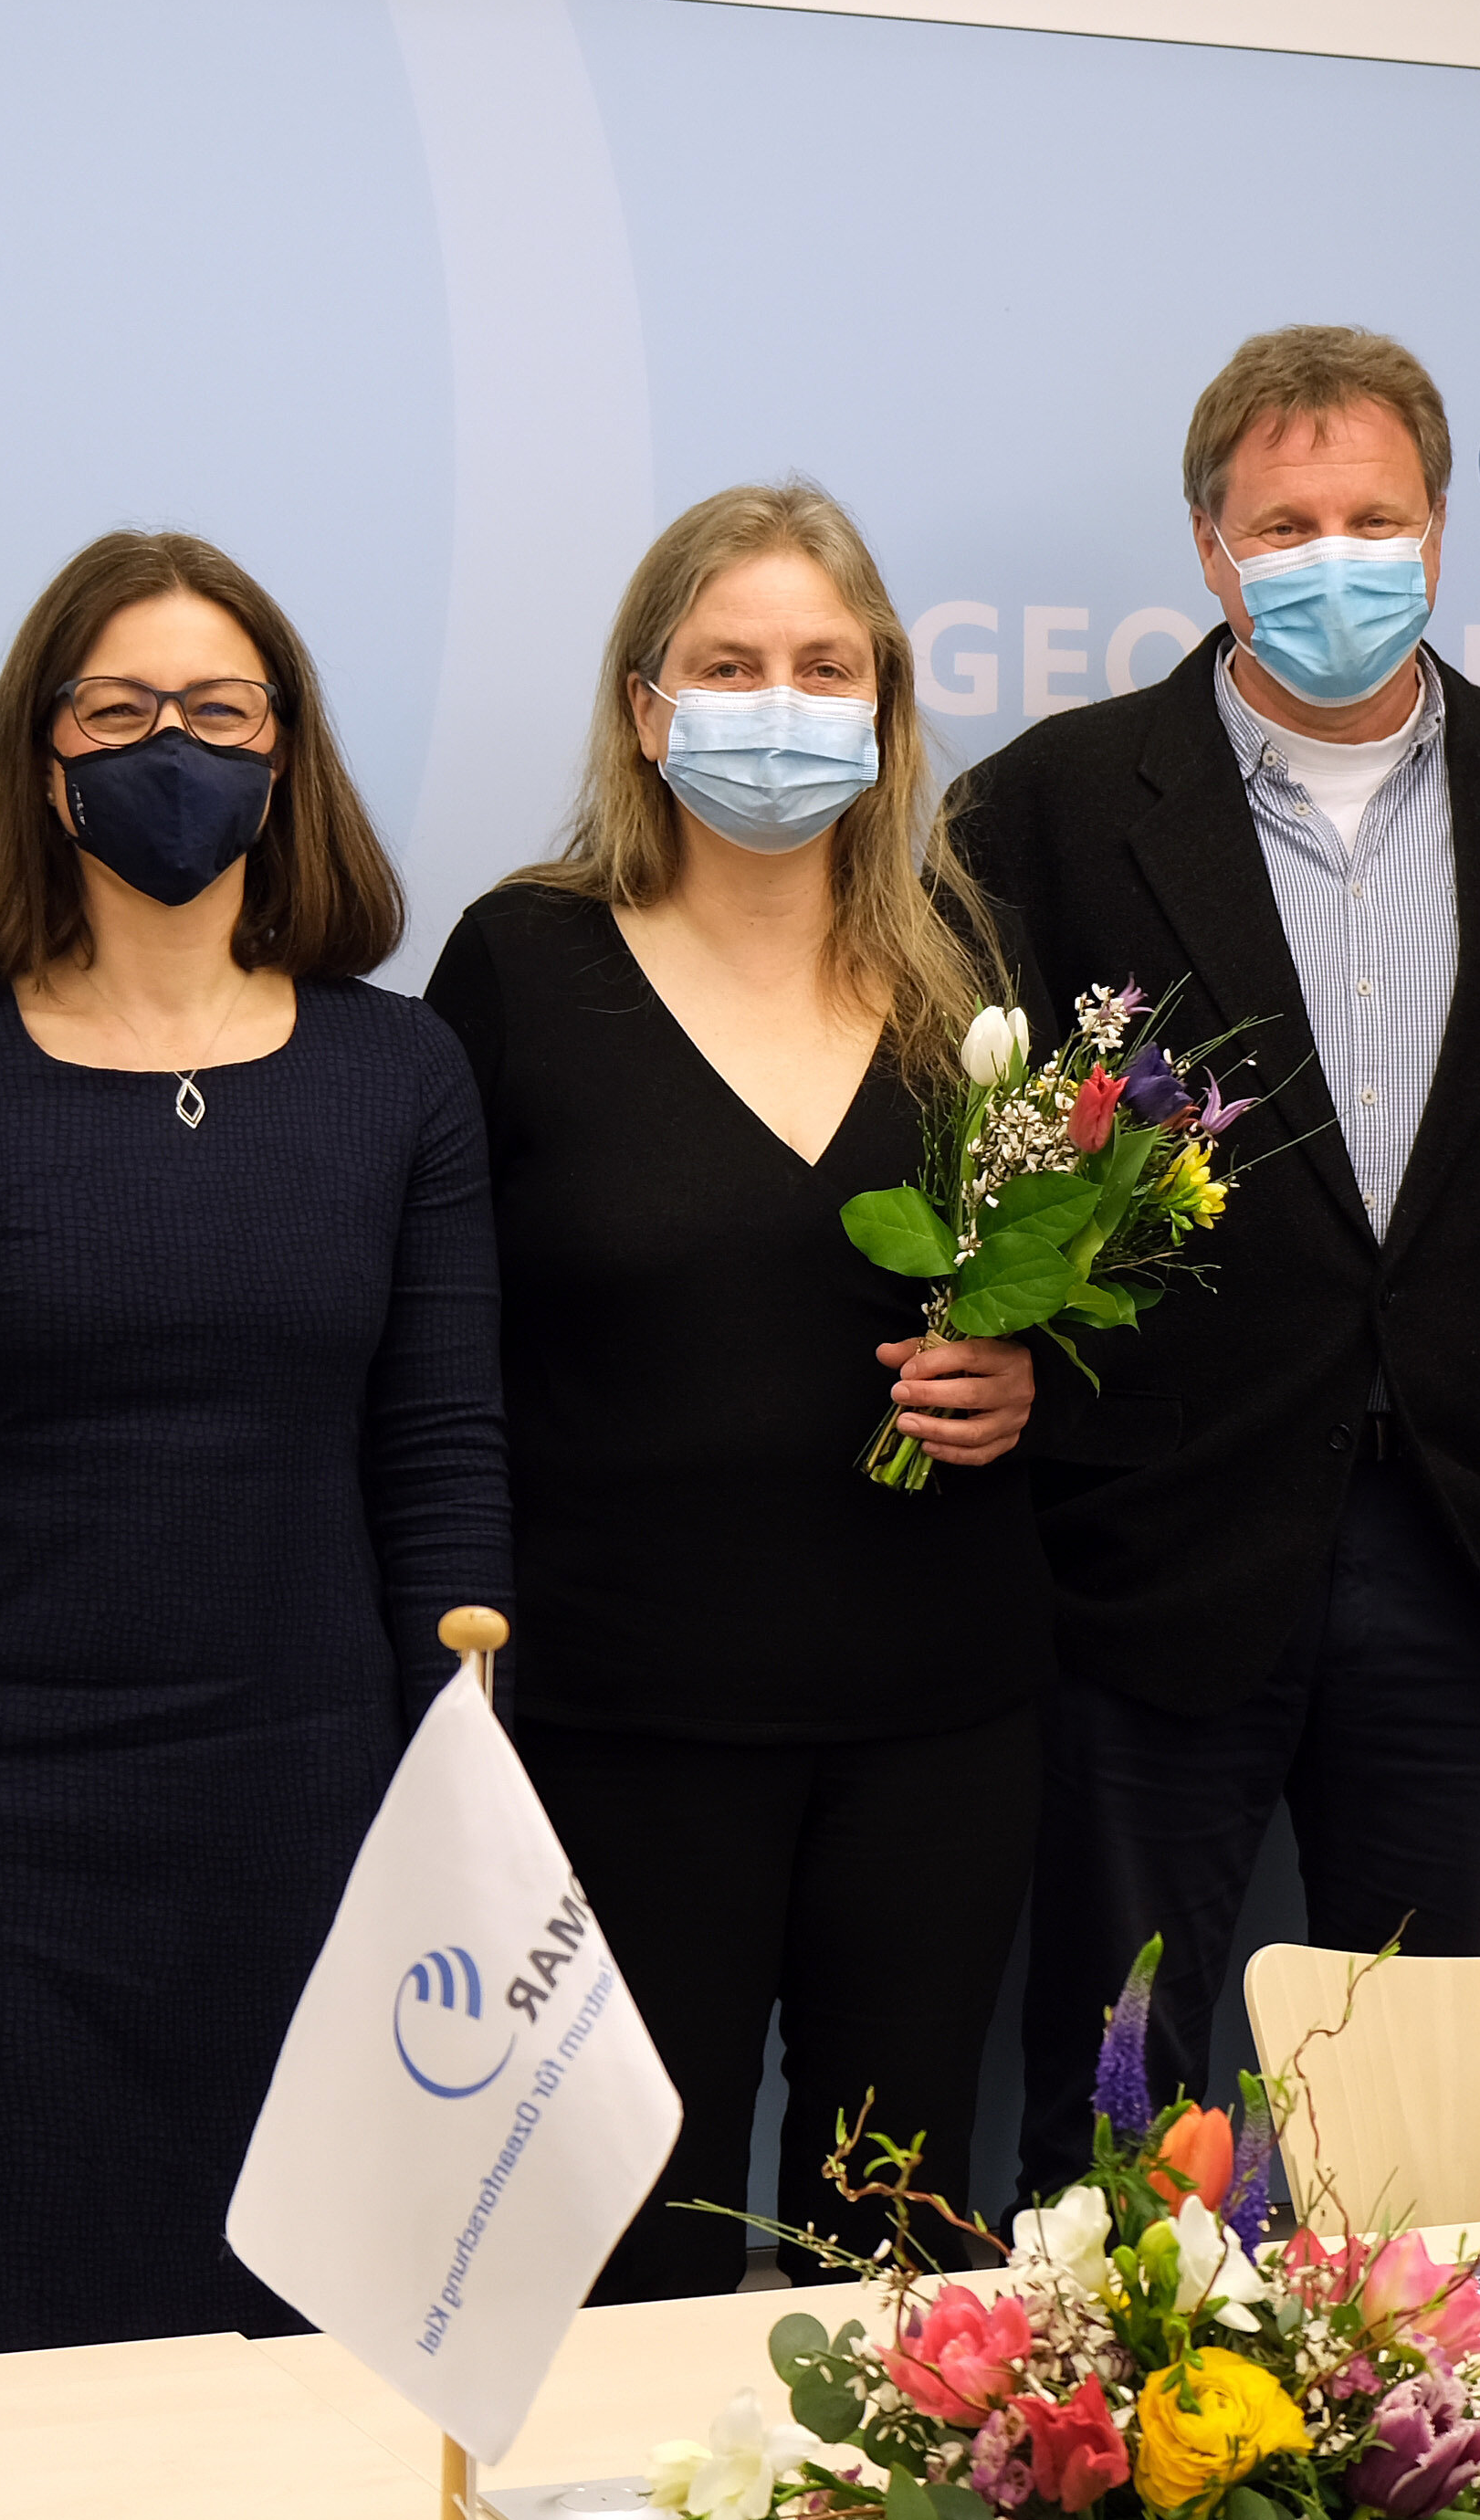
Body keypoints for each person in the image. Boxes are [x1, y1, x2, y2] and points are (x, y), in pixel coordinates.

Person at [0, 530, 509, 2367]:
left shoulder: (402, 1077)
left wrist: (465, 1826)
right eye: (122, 709)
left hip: (318, 1827)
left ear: (284, 757)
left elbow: (443, 1463)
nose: (176, 747)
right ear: (44, 756)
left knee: (309, 2396)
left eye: (220, 711)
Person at [948, 324, 1480, 2173]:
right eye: (1284, 526)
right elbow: (991, 1173)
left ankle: (1397, 2370)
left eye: (1372, 518)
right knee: (1114, 2097)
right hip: (1152, 1539)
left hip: (1462, 1545)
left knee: (1426, 2114)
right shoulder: (1046, 806)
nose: (1330, 557)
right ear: (1209, 548)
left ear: (1437, 532)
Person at [425, 485, 1045, 2297]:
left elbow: (1066, 1292)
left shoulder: (970, 979)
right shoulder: (519, 966)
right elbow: (435, 1350)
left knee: (902, 2254)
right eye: (729, 663)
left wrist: (1025, 1375)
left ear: (884, 705)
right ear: (646, 709)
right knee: (634, 2249)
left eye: (823, 666)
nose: (779, 702)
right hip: (622, 1729)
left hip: (937, 1723)